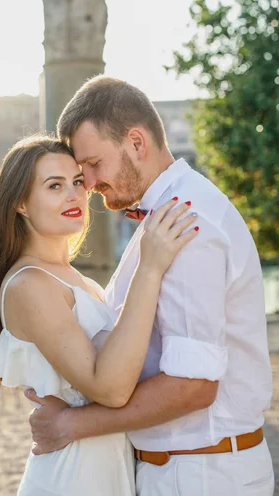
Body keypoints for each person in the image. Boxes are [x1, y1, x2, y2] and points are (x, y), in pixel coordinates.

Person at [25, 77, 274, 496]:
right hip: (185, 471)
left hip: (201, 475)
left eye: (92, 164)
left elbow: (193, 386)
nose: (86, 182)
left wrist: (72, 425)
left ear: (136, 143)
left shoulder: (185, 221)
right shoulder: (164, 217)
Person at [0, 135, 197, 496]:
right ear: (20, 203)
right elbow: (110, 389)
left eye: (78, 182)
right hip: (73, 476)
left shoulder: (81, 282)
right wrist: (150, 267)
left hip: (110, 469)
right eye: (54, 185)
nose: (74, 194)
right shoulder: (28, 283)